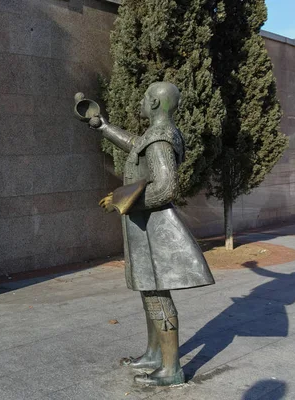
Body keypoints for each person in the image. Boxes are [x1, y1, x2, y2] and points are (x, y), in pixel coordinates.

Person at [84, 82, 215, 386]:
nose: (141, 101)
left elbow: (166, 188)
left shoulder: (161, 140)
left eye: (144, 97)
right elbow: (134, 144)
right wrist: (104, 127)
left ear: (155, 104)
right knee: (149, 292)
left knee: (157, 295)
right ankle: (155, 355)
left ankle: (171, 368)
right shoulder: (155, 136)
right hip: (146, 226)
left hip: (155, 228)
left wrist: (121, 199)